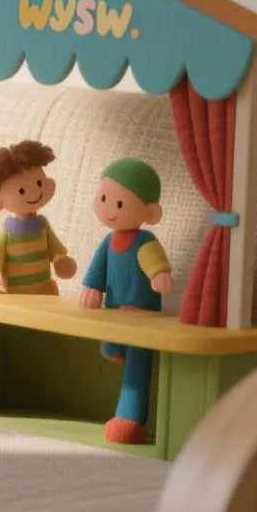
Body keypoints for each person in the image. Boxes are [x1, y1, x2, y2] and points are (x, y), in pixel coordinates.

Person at [78, 157, 173, 444]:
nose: (109, 209)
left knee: (136, 370)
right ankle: (114, 350)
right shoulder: (108, 242)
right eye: (104, 198)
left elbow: (154, 263)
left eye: (118, 203)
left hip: (143, 318)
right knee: (110, 346)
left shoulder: (146, 242)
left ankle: (130, 419)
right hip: (114, 313)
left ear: (150, 212)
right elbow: (98, 269)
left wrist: (159, 275)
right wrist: (91, 286)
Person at [0, 140, 77, 295]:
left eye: (39, 183)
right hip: (17, 296)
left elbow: (54, 248)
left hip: (46, 293)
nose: (35, 193)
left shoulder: (42, 226)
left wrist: (60, 259)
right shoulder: (8, 231)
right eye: (21, 191)